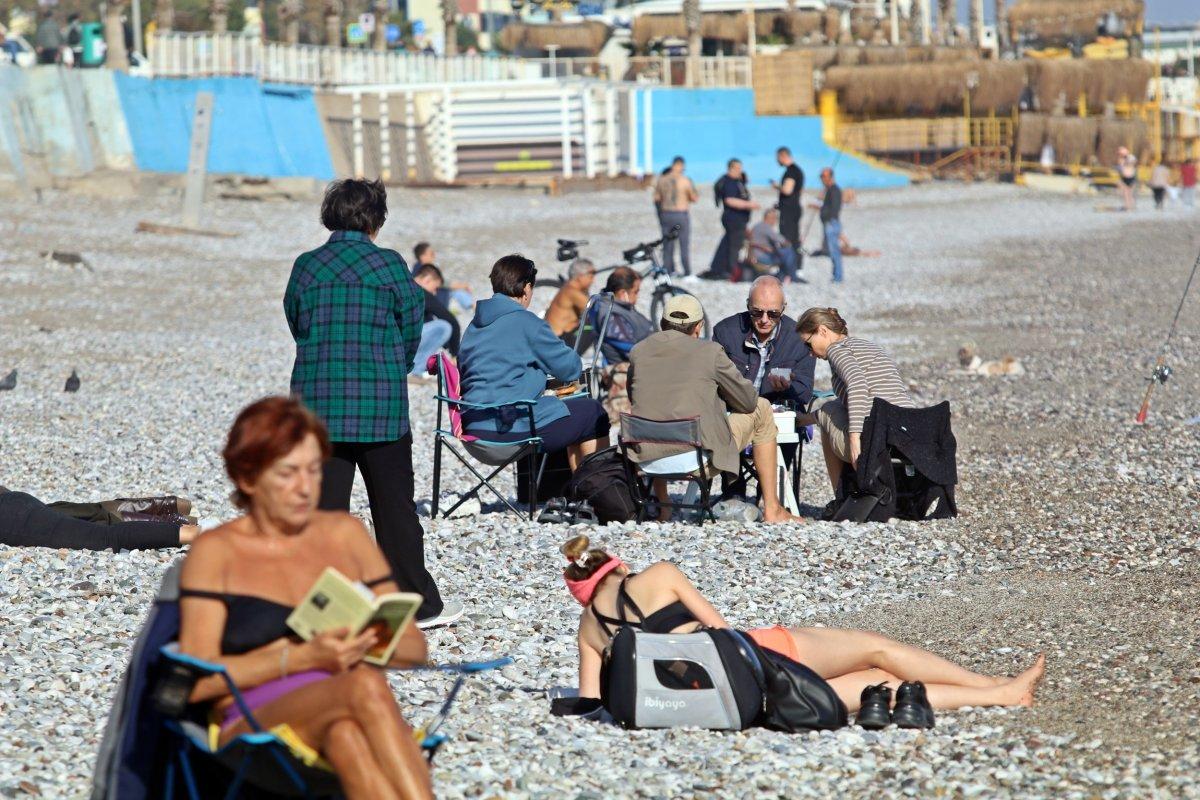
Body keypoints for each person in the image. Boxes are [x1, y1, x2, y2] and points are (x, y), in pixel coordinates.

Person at [178, 397, 433, 800]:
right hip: (248, 716)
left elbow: (415, 646)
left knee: (348, 737)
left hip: (339, 705)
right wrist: (301, 657)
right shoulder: (218, 551)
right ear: (247, 478)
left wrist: (366, 640)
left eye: (315, 470)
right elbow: (194, 682)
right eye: (288, 473)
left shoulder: (344, 534)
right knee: (363, 686)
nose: (305, 488)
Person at [560, 534, 1046, 716]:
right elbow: (722, 632)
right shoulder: (659, 575)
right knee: (875, 649)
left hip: (732, 706)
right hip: (756, 661)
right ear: (617, 567)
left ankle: (1000, 696)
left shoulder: (589, 627)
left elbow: (591, 702)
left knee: (877, 686)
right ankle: (993, 684)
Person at [285, 178, 458, 629]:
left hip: (317, 406)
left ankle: (323, 608)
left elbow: (298, 322)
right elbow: (410, 326)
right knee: (394, 508)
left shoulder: (307, 266)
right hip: (380, 406)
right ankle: (417, 604)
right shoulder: (388, 265)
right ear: (374, 219)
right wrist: (392, 365)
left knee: (324, 512)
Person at [626, 294, 800, 524]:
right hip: (695, 459)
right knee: (761, 408)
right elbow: (747, 401)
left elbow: (635, 397)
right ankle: (772, 509)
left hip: (645, 458)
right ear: (698, 327)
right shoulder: (710, 352)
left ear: (662, 324)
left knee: (656, 414)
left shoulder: (639, 351)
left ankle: (664, 509)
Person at [459, 254, 610, 471]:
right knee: (593, 413)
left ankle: (580, 489)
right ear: (527, 288)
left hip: (472, 430)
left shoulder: (474, 327)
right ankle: (595, 490)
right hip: (506, 430)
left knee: (566, 413)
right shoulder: (527, 322)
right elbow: (571, 369)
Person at [794, 308, 914, 506]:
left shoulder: (836, 349)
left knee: (828, 413)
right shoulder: (865, 346)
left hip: (880, 439)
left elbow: (857, 384)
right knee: (833, 408)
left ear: (822, 331)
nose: (811, 353)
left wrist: (854, 437)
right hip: (907, 428)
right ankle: (803, 419)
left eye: (809, 344)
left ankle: (840, 498)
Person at [712, 276, 814, 410]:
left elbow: (805, 394)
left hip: (777, 416)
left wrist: (787, 388)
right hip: (734, 412)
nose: (764, 320)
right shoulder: (725, 331)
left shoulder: (799, 339)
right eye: (757, 312)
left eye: (773, 314)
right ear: (748, 305)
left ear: (783, 308)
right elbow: (710, 383)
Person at [0, 487, 198, 550]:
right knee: (55, 517)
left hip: (10, 516)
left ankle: (194, 533)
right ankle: (125, 511)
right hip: (11, 501)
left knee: (103, 538)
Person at [587, 267, 655, 424]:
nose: (637, 297)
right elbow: (629, 347)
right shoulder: (611, 314)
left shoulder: (617, 306)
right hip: (628, 364)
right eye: (636, 292)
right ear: (623, 293)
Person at [709, 159, 759, 281]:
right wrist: (749, 205)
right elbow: (729, 200)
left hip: (739, 219)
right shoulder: (729, 182)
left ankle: (718, 268)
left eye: (740, 168)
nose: (740, 171)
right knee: (734, 246)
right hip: (733, 219)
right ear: (731, 168)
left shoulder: (737, 181)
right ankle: (731, 272)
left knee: (728, 243)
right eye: (737, 168)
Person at [653, 156, 698, 276]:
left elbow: (656, 198)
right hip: (680, 214)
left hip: (666, 214)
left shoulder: (662, 180)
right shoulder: (685, 180)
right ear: (681, 165)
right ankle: (687, 272)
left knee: (668, 246)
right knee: (684, 245)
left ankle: (668, 270)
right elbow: (694, 198)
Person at [411, 263, 460, 370]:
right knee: (444, 326)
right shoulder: (421, 292)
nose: (434, 293)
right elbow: (451, 321)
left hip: (390, 341)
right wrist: (455, 354)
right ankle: (416, 370)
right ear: (427, 280)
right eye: (435, 287)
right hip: (404, 341)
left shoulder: (403, 286)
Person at [544, 258, 596, 344]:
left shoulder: (567, 287)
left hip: (558, 337)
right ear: (580, 276)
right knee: (598, 324)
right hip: (556, 340)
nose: (593, 281)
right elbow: (596, 308)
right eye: (591, 276)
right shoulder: (571, 292)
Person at [413, 241, 474, 312]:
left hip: (440, 299)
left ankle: (472, 307)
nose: (434, 256)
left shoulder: (422, 268)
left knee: (458, 293)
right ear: (422, 256)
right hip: (436, 303)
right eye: (431, 254)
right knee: (458, 292)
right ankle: (473, 308)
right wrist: (463, 286)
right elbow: (443, 283)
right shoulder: (422, 271)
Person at [771, 146, 804, 273]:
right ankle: (797, 267)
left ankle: (789, 268)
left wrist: (777, 186)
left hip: (789, 212)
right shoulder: (798, 171)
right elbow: (797, 192)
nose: (777, 161)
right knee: (795, 239)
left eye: (777, 158)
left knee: (787, 239)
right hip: (794, 209)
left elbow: (787, 190)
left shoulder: (791, 171)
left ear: (782, 156)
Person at [808, 168, 844, 283]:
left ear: (830, 177)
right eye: (821, 176)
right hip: (829, 223)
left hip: (831, 224)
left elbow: (834, 209)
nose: (822, 179)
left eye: (823, 176)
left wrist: (827, 218)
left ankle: (838, 277)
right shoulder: (829, 190)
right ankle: (836, 276)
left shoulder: (835, 190)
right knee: (832, 251)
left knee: (834, 251)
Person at [747, 208, 801, 283]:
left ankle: (783, 277)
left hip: (755, 255)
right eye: (775, 218)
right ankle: (792, 277)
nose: (775, 221)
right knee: (789, 252)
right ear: (770, 218)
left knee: (784, 255)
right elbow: (781, 240)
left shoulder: (757, 226)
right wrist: (790, 243)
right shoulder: (765, 227)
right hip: (761, 256)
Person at [1116, 146, 1137, 211]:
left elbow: (1133, 163)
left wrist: (1126, 161)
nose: (1120, 155)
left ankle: (1131, 206)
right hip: (1124, 177)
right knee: (1125, 193)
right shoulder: (1120, 159)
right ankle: (1127, 206)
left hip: (1131, 177)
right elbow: (1120, 168)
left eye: (1121, 153)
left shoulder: (1131, 157)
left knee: (1130, 193)